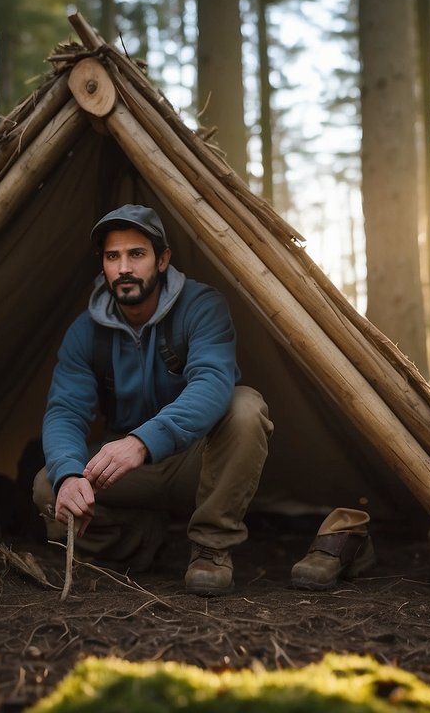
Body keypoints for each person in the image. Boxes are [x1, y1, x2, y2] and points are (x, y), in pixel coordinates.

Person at [32, 204, 273, 596]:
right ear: (103, 266)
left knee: (245, 406)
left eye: (136, 254)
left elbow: (213, 383)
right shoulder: (85, 332)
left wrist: (143, 441)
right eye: (113, 257)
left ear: (162, 260)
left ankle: (211, 548)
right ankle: (142, 541)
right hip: (127, 472)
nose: (124, 267)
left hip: (198, 458)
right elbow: (65, 411)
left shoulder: (201, 306)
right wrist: (70, 474)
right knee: (49, 486)